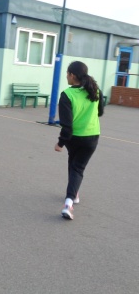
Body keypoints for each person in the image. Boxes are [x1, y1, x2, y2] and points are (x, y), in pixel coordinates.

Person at [55, 61, 104, 220]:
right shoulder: (95, 91)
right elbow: (100, 112)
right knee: (76, 165)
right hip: (92, 136)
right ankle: (74, 194)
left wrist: (60, 143)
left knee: (75, 167)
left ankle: (68, 204)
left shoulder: (67, 95)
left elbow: (67, 125)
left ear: (72, 75)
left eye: (67, 74)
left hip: (74, 137)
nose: (66, 76)